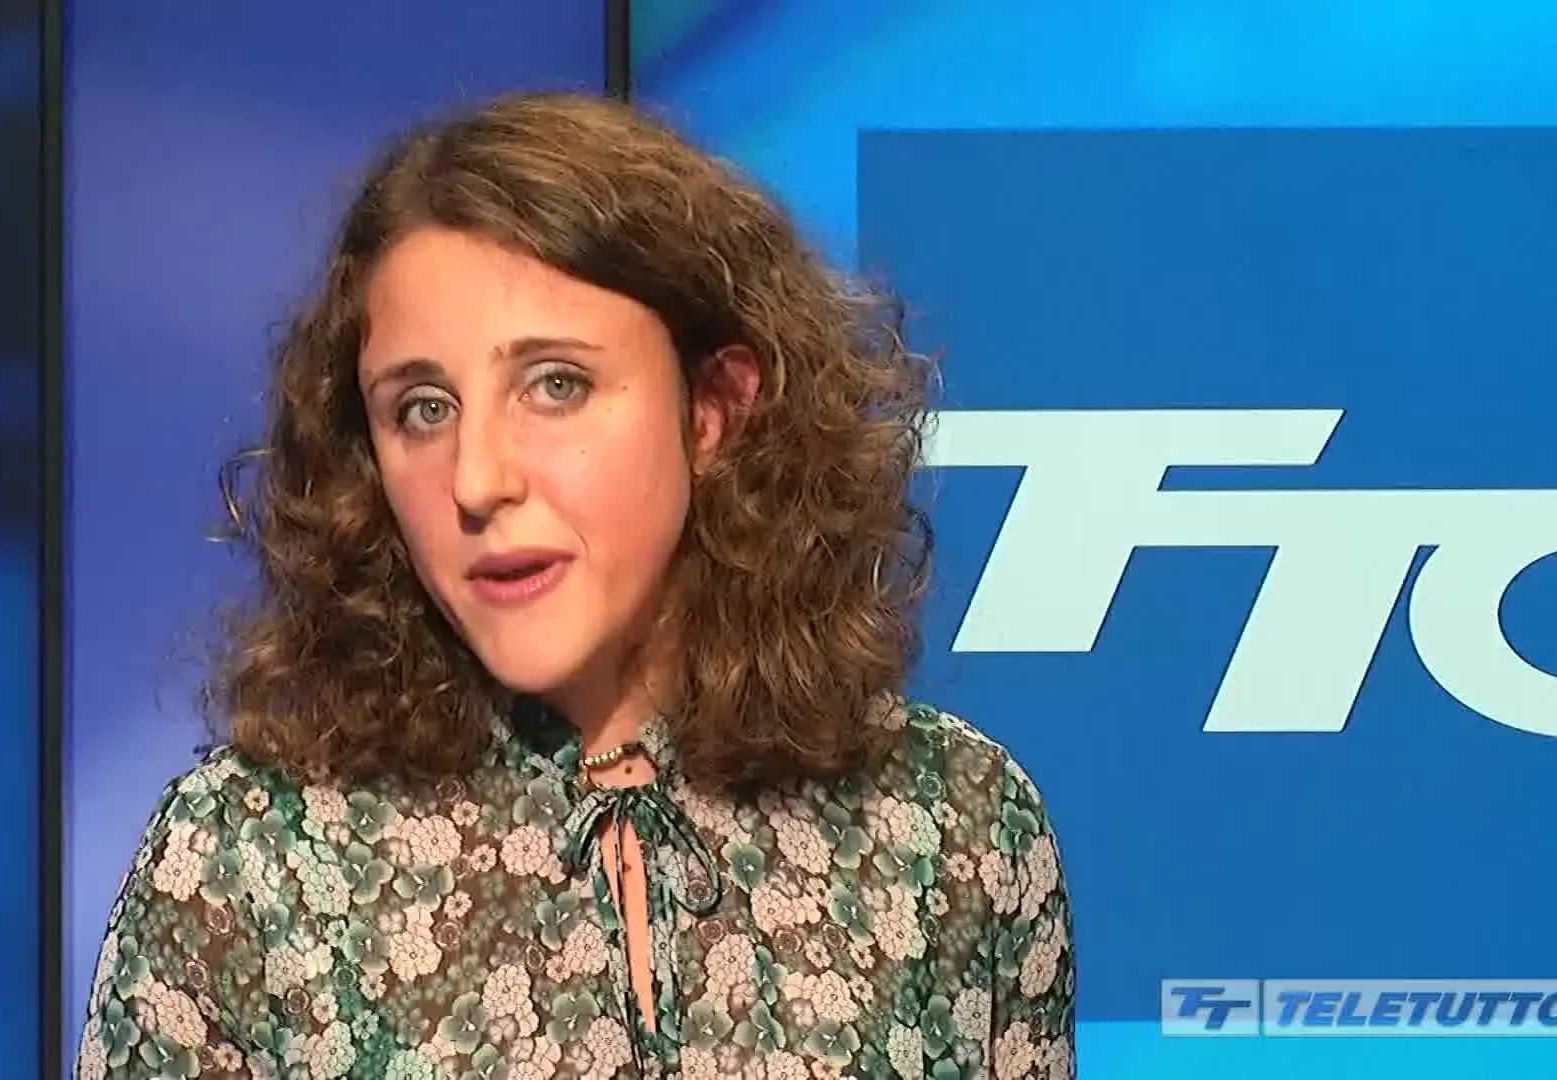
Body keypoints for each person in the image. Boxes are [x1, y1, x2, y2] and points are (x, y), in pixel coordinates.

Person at [76, 91, 1074, 1080]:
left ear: (713, 410)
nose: (476, 480)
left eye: (556, 385)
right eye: (422, 409)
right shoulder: (242, 865)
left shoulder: (956, 829)